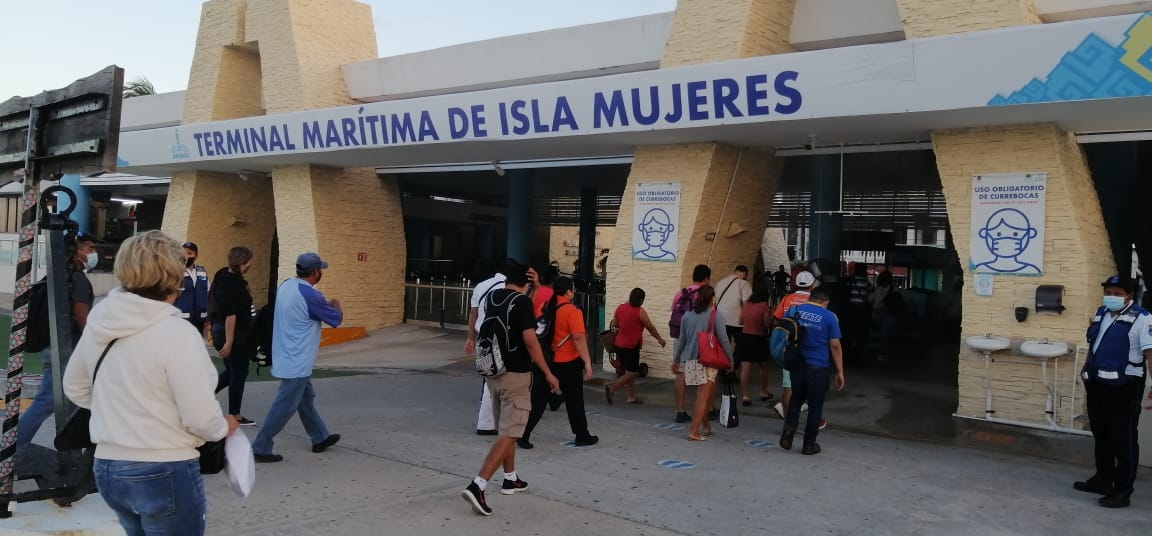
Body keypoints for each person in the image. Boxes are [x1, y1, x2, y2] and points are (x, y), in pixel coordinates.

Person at [63, 230, 237, 535]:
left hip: (108, 465)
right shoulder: (178, 333)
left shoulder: (101, 320)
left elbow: (75, 387)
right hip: (164, 467)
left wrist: (124, 410)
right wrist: (224, 426)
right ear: (174, 275)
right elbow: (199, 417)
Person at [461, 265, 560, 516]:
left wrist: (533, 289)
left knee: (507, 429)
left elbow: (515, 309)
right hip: (516, 375)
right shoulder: (523, 303)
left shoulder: (493, 297)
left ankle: (510, 478)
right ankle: (479, 484)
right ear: (526, 283)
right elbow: (529, 339)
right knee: (513, 432)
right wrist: (547, 372)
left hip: (493, 372)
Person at [252, 252, 343, 463]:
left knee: (305, 399)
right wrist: (335, 302)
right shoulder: (311, 295)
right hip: (297, 361)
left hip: (286, 354)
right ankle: (261, 446)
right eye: (321, 269)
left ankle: (319, 437)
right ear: (314, 272)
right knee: (284, 405)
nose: (322, 272)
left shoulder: (286, 285)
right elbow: (336, 319)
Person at [1073, 275, 1151, 508]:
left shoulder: (1143, 319)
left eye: (1117, 293)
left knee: (1124, 440)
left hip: (1125, 388)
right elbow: (1096, 344)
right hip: (1098, 384)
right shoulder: (1101, 313)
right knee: (1102, 434)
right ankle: (1103, 479)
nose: (1112, 297)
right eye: (1109, 292)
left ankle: (1122, 490)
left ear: (1129, 296)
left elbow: (1150, 354)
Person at [17, 230, 97, 450]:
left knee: (71, 404)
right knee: (47, 402)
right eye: (89, 248)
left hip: (55, 347)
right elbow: (82, 317)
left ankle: (72, 455)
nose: (93, 252)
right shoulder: (77, 279)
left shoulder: (57, 277)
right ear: (76, 251)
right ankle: (13, 450)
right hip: (67, 351)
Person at [520, 276, 599, 448]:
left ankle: (523, 434)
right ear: (569, 292)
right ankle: (582, 435)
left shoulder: (546, 307)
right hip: (568, 362)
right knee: (575, 401)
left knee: (538, 400)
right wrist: (587, 362)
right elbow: (578, 338)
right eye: (573, 290)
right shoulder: (573, 311)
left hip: (547, 361)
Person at [779, 287, 845, 455]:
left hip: (798, 364)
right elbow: (835, 345)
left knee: (796, 399)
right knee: (816, 406)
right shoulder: (829, 317)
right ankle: (809, 444)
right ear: (825, 302)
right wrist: (840, 371)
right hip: (818, 367)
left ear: (810, 298)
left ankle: (789, 429)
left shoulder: (795, 310)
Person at [672, 285, 733, 441]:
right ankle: (693, 431)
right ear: (712, 299)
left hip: (690, 360)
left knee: (703, 396)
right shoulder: (715, 316)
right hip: (707, 361)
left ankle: (705, 426)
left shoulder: (688, 315)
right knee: (703, 397)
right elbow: (724, 341)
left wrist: (677, 360)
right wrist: (730, 360)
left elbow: (682, 341)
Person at [465, 259, 515, 436]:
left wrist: (471, 337)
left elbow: (473, 313)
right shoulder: (508, 289)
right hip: (500, 338)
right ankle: (489, 422)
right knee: (498, 379)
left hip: (482, 336)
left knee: (488, 374)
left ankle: (489, 419)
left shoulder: (481, 286)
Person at [210, 246, 257, 426]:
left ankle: (204, 395)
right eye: (247, 262)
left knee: (231, 371)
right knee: (239, 373)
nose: (249, 265)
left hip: (221, 330)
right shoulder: (233, 283)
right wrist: (230, 341)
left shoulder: (222, 275)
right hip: (231, 332)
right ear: (240, 262)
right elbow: (231, 315)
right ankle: (235, 415)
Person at [605, 288, 666, 405]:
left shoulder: (620, 308)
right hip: (631, 346)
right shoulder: (640, 312)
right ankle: (612, 388)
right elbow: (650, 328)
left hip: (618, 344)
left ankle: (631, 397)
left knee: (628, 372)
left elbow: (614, 324)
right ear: (641, 300)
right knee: (631, 373)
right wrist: (660, 339)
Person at [772, 270, 816, 422]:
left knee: (788, 384)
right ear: (812, 285)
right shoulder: (814, 300)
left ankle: (788, 421)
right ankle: (809, 416)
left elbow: (777, 320)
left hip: (788, 346)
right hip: (809, 347)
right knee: (810, 380)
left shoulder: (786, 299)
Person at [670, 264, 710, 423]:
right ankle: (705, 413)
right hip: (698, 339)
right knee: (704, 375)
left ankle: (680, 411)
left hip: (680, 336)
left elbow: (673, 312)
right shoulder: (706, 295)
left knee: (680, 373)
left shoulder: (681, 293)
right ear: (706, 279)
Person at [737, 291, 774, 406]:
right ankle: (764, 392)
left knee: (745, 368)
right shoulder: (764, 306)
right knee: (763, 367)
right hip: (758, 338)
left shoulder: (745, 305)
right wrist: (771, 314)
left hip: (745, 337)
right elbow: (766, 324)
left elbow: (740, 321)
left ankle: (745, 396)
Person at [174, 241, 210, 336]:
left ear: (196, 256)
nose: (186, 256)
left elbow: (207, 292)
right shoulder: (176, 271)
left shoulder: (201, 271)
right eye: (184, 253)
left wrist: (208, 316)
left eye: (189, 253)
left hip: (199, 319)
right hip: (180, 319)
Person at [714, 265, 753, 350]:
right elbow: (747, 303)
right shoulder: (743, 283)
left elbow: (715, 300)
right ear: (744, 274)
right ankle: (736, 362)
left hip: (721, 319)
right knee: (740, 345)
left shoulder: (721, 282)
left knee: (723, 345)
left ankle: (724, 362)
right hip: (737, 321)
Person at [843, 263, 873, 360]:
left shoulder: (850, 280)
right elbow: (871, 292)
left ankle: (847, 354)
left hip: (850, 310)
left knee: (849, 333)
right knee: (860, 334)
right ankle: (857, 355)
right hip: (862, 310)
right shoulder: (866, 281)